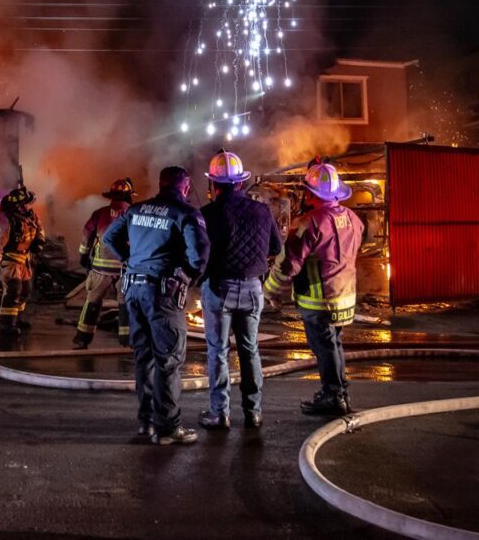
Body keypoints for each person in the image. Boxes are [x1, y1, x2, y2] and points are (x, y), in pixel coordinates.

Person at [103, 166, 209, 445]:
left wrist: (129, 259)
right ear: (185, 188)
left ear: (159, 185)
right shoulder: (186, 214)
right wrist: (185, 277)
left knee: (144, 359)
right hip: (162, 294)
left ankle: (146, 425)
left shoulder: (137, 210)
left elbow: (108, 237)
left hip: (133, 291)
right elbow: (199, 257)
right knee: (169, 361)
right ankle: (169, 428)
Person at [264, 163, 363, 416]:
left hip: (319, 301)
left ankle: (333, 396)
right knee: (333, 343)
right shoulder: (352, 219)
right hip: (345, 296)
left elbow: (288, 265)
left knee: (324, 346)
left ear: (310, 194)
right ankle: (339, 391)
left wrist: (270, 292)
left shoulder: (308, 223)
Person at [198, 151, 282, 430]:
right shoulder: (262, 210)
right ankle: (254, 412)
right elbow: (276, 248)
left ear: (214, 185)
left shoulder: (208, 214)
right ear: (240, 183)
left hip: (219, 288)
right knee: (250, 350)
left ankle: (220, 413)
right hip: (252, 288)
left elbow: (199, 252)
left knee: (218, 351)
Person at [73, 178, 135, 350]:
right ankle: (127, 343)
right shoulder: (134, 213)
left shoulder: (100, 213)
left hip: (100, 269)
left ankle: (82, 339)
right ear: (129, 195)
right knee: (126, 305)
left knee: (92, 303)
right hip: (125, 269)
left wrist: (84, 256)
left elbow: (87, 235)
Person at [0, 186, 46, 336]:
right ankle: (8, 325)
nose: (30, 206)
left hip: (24, 260)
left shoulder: (30, 215)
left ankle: (18, 318)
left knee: (26, 290)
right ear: (18, 206)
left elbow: (39, 228)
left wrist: (39, 241)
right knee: (13, 290)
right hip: (10, 260)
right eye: (27, 203)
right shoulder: (5, 220)